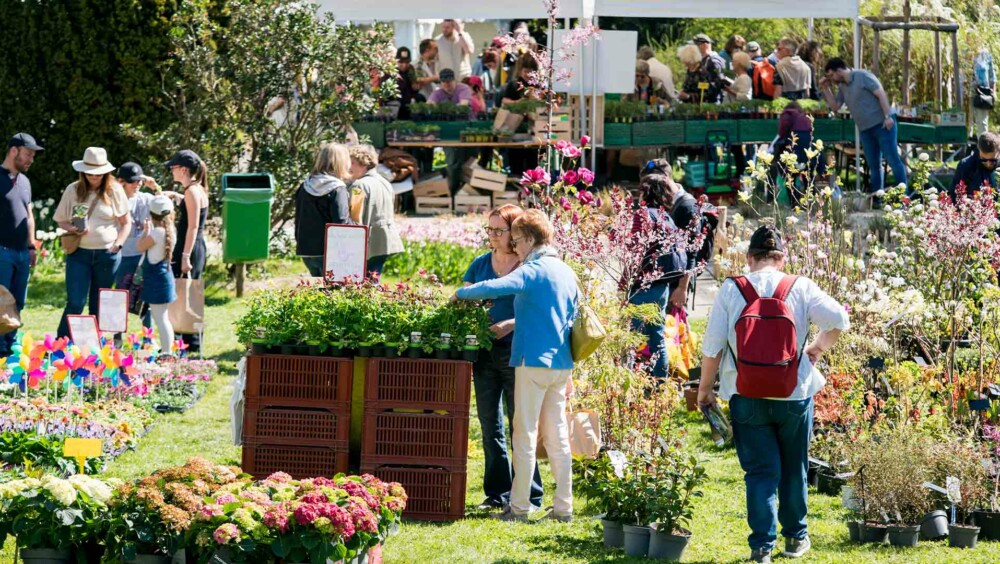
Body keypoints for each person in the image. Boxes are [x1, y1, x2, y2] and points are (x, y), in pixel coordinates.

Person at [698, 225, 849, 564]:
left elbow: (712, 347)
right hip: (794, 392)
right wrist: (817, 347)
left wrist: (705, 390)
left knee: (760, 472)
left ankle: (761, 547)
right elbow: (839, 318)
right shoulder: (800, 286)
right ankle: (795, 538)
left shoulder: (732, 289)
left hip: (746, 393)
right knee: (794, 466)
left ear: (749, 258)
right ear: (781, 259)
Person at [453, 209, 578, 523]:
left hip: (531, 362)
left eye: (519, 240)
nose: (516, 247)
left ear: (532, 239)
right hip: (561, 363)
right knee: (557, 436)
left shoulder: (532, 269)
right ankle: (563, 508)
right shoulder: (565, 271)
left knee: (524, 435)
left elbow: (493, 287)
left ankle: (520, 507)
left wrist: (459, 293)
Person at [464, 204, 545, 511]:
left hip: (516, 352)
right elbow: (466, 297)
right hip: (484, 352)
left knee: (520, 425)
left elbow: (538, 309)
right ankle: (497, 492)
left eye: (500, 230)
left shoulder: (527, 266)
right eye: (490, 229)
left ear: (515, 232)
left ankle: (529, 493)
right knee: (489, 424)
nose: (493, 235)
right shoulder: (480, 264)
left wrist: (510, 323)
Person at [54, 147, 131, 339]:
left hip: (107, 254)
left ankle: (93, 345)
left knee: (98, 304)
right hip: (79, 253)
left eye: (98, 173)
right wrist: (74, 228)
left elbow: (126, 223)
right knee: (75, 302)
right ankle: (61, 344)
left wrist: (118, 245)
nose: (94, 177)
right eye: (90, 173)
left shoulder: (115, 190)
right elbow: (61, 220)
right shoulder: (73, 189)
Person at [632, 174, 691, 380]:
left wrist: (624, 283)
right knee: (657, 338)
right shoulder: (666, 217)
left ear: (646, 191)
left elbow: (633, 251)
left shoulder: (642, 215)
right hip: (662, 287)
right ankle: (661, 385)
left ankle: (627, 385)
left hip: (642, 287)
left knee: (631, 338)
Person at [820, 57, 908, 197]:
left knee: (893, 161)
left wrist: (887, 116)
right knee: (874, 166)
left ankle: (904, 197)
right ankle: (877, 199)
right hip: (865, 129)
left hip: (882, 125)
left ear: (839, 71)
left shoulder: (862, 76)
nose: (831, 79)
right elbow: (836, 106)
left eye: (831, 76)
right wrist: (825, 88)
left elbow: (880, 93)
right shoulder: (842, 86)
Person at [0, 133, 42, 355]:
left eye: (33, 156)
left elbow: (29, 216)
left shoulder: (25, 181)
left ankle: (10, 343)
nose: (31, 160)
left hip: (22, 253)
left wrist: (31, 246)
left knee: (19, 302)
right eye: (28, 154)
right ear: (13, 151)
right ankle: (0, 347)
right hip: (2, 252)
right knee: (1, 302)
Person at [166, 149, 209, 352]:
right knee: (191, 294)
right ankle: (191, 342)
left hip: (188, 247)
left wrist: (185, 256)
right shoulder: (196, 189)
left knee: (183, 293)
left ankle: (185, 341)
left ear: (183, 170)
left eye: (173, 167)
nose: (171, 171)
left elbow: (192, 226)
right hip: (195, 245)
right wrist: (176, 196)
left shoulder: (192, 192)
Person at [296, 143, 353, 278]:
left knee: (318, 289)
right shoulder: (337, 189)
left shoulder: (304, 186)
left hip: (306, 249)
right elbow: (341, 223)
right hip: (330, 251)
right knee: (334, 289)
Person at [114, 162, 159, 333]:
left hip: (142, 256)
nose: (137, 184)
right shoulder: (114, 199)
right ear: (121, 181)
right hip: (122, 256)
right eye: (132, 181)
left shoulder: (146, 198)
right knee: (119, 299)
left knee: (145, 298)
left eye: (139, 180)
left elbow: (165, 206)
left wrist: (155, 187)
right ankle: (117, 337)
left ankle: (147, 338)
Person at [348, 145, 403, 279]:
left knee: (360, 283)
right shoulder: (385, 183)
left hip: (369, 243)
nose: (348, 167)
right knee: (373, 281)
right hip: (385, 241)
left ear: (363, 163)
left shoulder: (359, 185)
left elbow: (354, 216)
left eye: (352, 162)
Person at [137, 195, 177, 354]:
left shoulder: (156, 233)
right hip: (164, 277)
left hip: (156, 281)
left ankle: (167, 353)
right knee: (163, 317)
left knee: (160, 319)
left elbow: (140, 246)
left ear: (152, 214)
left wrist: (145, 232)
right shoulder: (170, 230)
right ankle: (167, 350)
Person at [950, 132, 999, 200]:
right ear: (979, 150)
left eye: (993, 160)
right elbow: (954, 196)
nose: (988, 163)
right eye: (983, 160)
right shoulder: (966, 166)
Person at [679, 36, 725, 105]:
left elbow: (713, 90)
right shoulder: (693, 67)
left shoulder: (711, 64)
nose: (685, 65)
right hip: (693, 105)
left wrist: (689, 96)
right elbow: (687, 85)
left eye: (696, 45)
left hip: (709, 106)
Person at [973, 46, 997, 137]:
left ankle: (984, 144)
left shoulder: (985, 54)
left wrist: (993, 92)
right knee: (966, 121)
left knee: (982, 123)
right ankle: (967, 144)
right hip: (967, 93)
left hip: (983, 94)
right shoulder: (964, 52)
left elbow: (992, 75)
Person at [393, 47, 417, 119]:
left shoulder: (410, 69)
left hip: (408, 104)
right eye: (401, 62)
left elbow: (414, 87)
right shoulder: (391, 71)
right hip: (394, 104)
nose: (404, 65)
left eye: (407, 62)